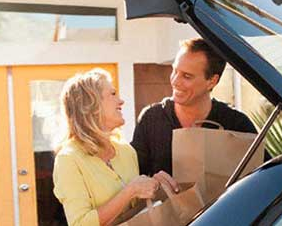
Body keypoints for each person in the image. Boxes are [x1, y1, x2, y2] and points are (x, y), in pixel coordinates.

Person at [132, 38, 269, 191]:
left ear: (212, 81)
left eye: (187, 76)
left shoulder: (236, 124)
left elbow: (266, 176)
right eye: (175, 71)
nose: (175, 81)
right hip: (167, 214)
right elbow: (131, 179)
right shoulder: (151, 119)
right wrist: (151, 180)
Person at [53, 68, 160, 226]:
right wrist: (130, 191)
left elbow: (137, 210)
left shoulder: (126, 151)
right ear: (91, 105)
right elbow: (80, 223)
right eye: (113, 94)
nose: (121, 101)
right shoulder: (68, 160)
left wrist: (154, 184)